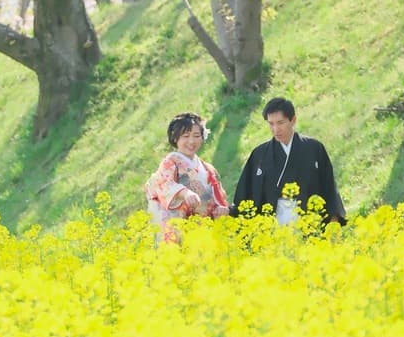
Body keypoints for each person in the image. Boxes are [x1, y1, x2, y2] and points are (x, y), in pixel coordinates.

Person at [231, 97, 346, 227]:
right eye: (271, 124)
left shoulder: (314, 148)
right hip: (273, 225)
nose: (275, 129)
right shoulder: (260, 154)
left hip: (309, 222)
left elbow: (328, 186)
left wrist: (333, 220)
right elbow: (246, 193)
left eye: (280, 123)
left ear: (293, 120)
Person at [144, 111, 230, 244]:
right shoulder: (171, 162)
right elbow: (165, 184)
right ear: (175, 138)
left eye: (196, 136)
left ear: (202, 137)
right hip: (179, 225)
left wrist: (221, 208)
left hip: (204, 227)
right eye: (185, 136)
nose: (191, 141)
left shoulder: (208, 168)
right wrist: (185, 193)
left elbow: (218, 194)